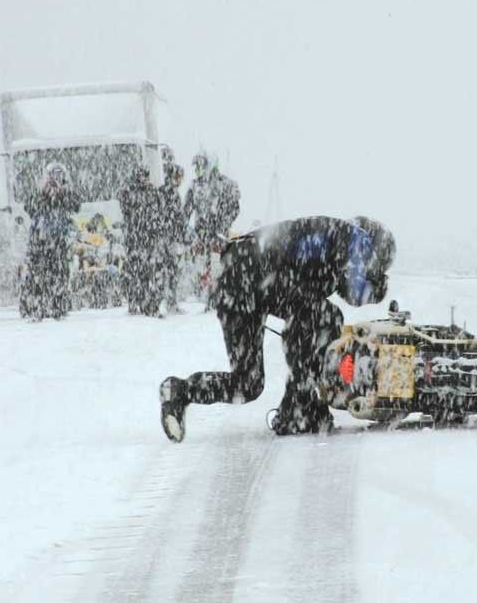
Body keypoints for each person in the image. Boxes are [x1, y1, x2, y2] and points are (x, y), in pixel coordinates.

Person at [158, 216, 395, 442]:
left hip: (236, 284)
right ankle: (299, 406)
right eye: (376, 265)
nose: (370, 268)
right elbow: (356, 291)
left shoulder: (329, 241)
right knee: (323, 317)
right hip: (256, 276)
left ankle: (180, 391)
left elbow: (341, 287)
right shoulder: (356, 236)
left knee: (247, 384)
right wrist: (379, 288)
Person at [22, 162, 81, 319]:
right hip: (39, 242)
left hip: (59, 242)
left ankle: (58, 305)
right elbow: (29, 207)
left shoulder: (66, 193)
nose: (55, 180)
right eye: (52, 176)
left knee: (60, 274)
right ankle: (36, 306)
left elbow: (76, 206)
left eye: (59, 176)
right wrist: (43, 193)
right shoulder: (39, 194)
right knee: (36, 275)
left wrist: (62, 193)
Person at [182, 152, 241, 308]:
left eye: (200, 166)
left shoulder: (225, 184)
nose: (197, 170)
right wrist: (185, 229)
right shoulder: (194, 185)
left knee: (218, 264)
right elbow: (186, 210)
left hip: (219, 234)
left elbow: (235, 208)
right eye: (196, 167)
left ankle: (218, 294)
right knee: (202, 265)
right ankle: (206, 292)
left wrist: (223, 226)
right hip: (201, 233)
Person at [117, 167, 163, 316]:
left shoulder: (151, 192)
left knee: (147, 273)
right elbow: (126, 211)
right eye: (142, 176)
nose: (145, 179)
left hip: (146, 238)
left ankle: (147, 304)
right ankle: (135, 302)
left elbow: (158, 212)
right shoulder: (129, 191)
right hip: (136, 238)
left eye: (146, 176)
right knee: (135, 272)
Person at [157, 163, 188, 314]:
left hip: (167, 237)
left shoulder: (165, 192)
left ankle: (169, 301)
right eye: (179, 177)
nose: (181, 180)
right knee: (171, 271)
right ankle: (170, 301)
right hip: (169, 238)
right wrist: (179, 235)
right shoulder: (169, 194)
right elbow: (175, 218)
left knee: (169, 270)